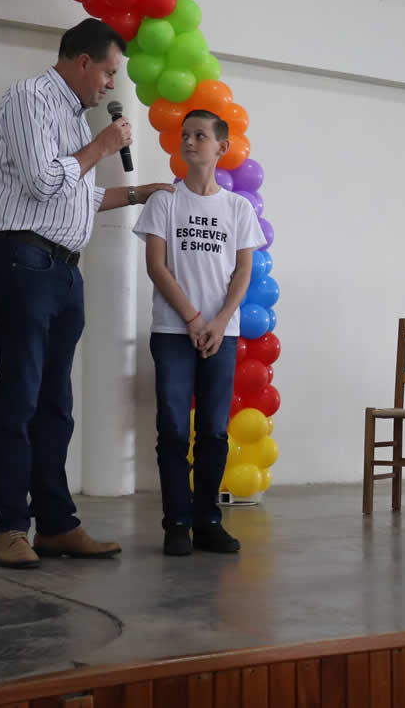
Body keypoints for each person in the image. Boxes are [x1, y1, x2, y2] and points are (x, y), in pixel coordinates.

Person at [0, 19, 172, 569]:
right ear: (82, 60)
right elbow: (45, 181)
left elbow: (77, 195)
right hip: (23, 262)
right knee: (19, 397)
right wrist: (104, 143)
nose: (111, 85)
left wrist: (141, 190)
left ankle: (56, 524)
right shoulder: (29, 99)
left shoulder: (71, 116)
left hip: (64, 271)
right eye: (110, 71)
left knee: (56, 405)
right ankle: (9, 528)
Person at [134, 110, 268, 556]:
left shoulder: (237, 208)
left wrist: (218, 321)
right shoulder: (165, 202)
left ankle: (208, 520)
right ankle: (176, 523)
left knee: (212, 430)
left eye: (199, 135)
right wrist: (192, 318)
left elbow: (243, 271)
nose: (190, 142)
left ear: (221, 147)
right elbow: (157, 266)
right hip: (173, 331)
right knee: (173, 428)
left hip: (221, 335)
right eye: (185, 135)